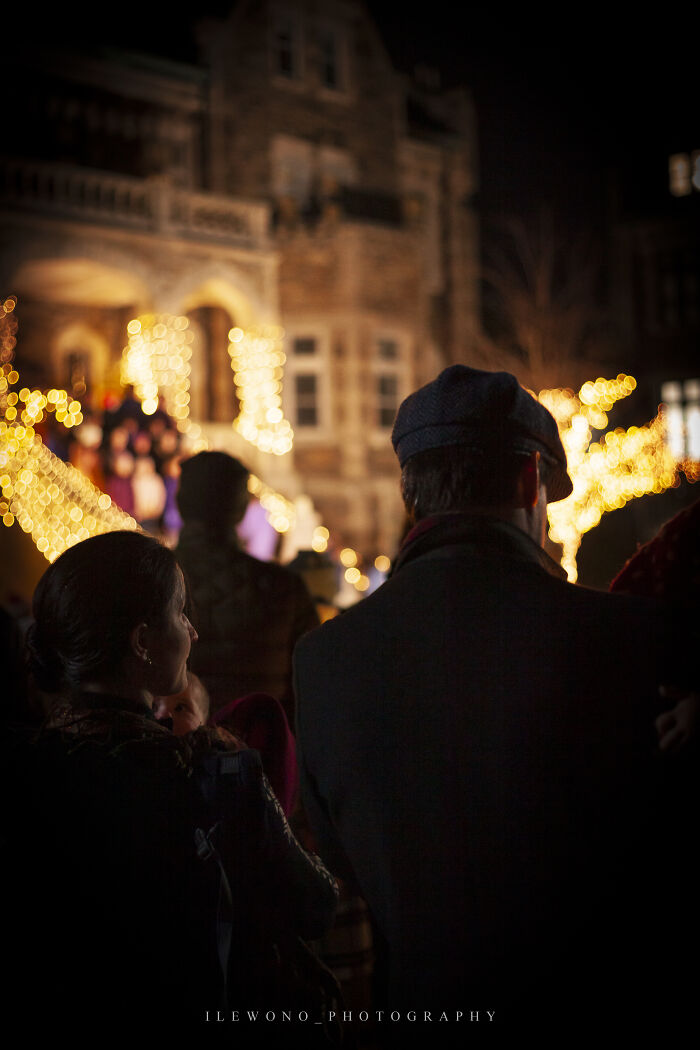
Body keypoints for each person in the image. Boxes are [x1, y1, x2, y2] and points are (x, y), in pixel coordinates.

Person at [293, 364, 697, 1036]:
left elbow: (339, 858)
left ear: (408, 490)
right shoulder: (631, 637)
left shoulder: (324, 658)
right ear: (527, 481)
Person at [4, 530, 337, 1035]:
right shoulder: (207, 771)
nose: (193, 633)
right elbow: (315, 905)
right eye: (181, 613)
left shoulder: (22, 760)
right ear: (142, 642)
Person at [174, 451, 319, 723]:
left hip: (172, 747)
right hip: (259, 745)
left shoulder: (149, 581)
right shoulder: (282, 587)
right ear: (240, 509)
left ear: (180, 503)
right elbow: (310, 684)